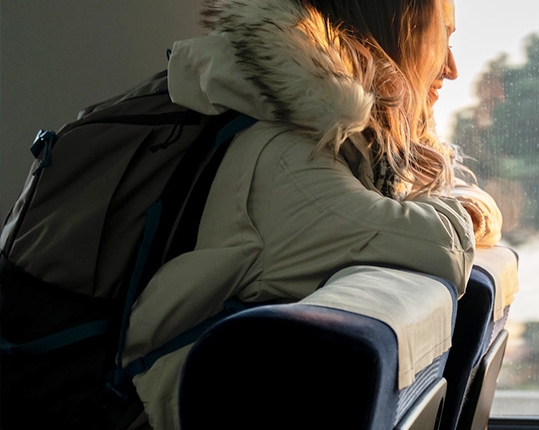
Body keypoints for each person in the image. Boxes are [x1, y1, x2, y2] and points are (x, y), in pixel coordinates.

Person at [120, 0, 499, 428]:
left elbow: (453, 211)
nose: (451, 68)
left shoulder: (339, 147)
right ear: (396, 31)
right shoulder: (287, 158)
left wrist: (465, 207)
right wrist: (464, 210)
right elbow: (443, 245)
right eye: (444, 37)